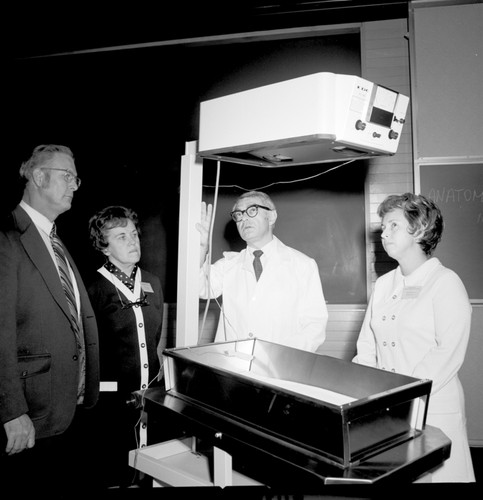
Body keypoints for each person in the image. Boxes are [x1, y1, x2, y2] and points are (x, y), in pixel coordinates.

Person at [352, 192, 475, 483]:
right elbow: (367, 347)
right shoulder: (383, 285)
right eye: (383, 227)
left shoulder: (445, 283)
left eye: (393, 225)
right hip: (388, 411)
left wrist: (402, 397)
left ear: (420, 229)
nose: (384, 233)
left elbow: (447, 353)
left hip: (431, 409)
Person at [0, 144, 100, 492]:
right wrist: (11, 411)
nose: (75, 185)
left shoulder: (54, 239)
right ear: (39, 176)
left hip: (65, 410)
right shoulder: (7, 235)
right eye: (68, 176)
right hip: (29, 416)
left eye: (76, 178)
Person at [87, 205, 164, 488]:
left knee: (151, 475)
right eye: (121, 236)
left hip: (152, 402)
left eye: (133, 234)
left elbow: (153, 342)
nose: (132, 241)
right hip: (110, 405)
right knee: (114, 473)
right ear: (104, 247)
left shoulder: (153, 282)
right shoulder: (92, 289)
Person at [197, 190, 328, 352]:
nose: (243, 218)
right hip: (233, 367)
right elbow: (200, 289)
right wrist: (201, 248)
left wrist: (280, 358)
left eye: (252, 210)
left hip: (280, 368)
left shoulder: (303, 265)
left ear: (271, 217)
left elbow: (314, 325)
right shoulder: (228, 264)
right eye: (238, 215)